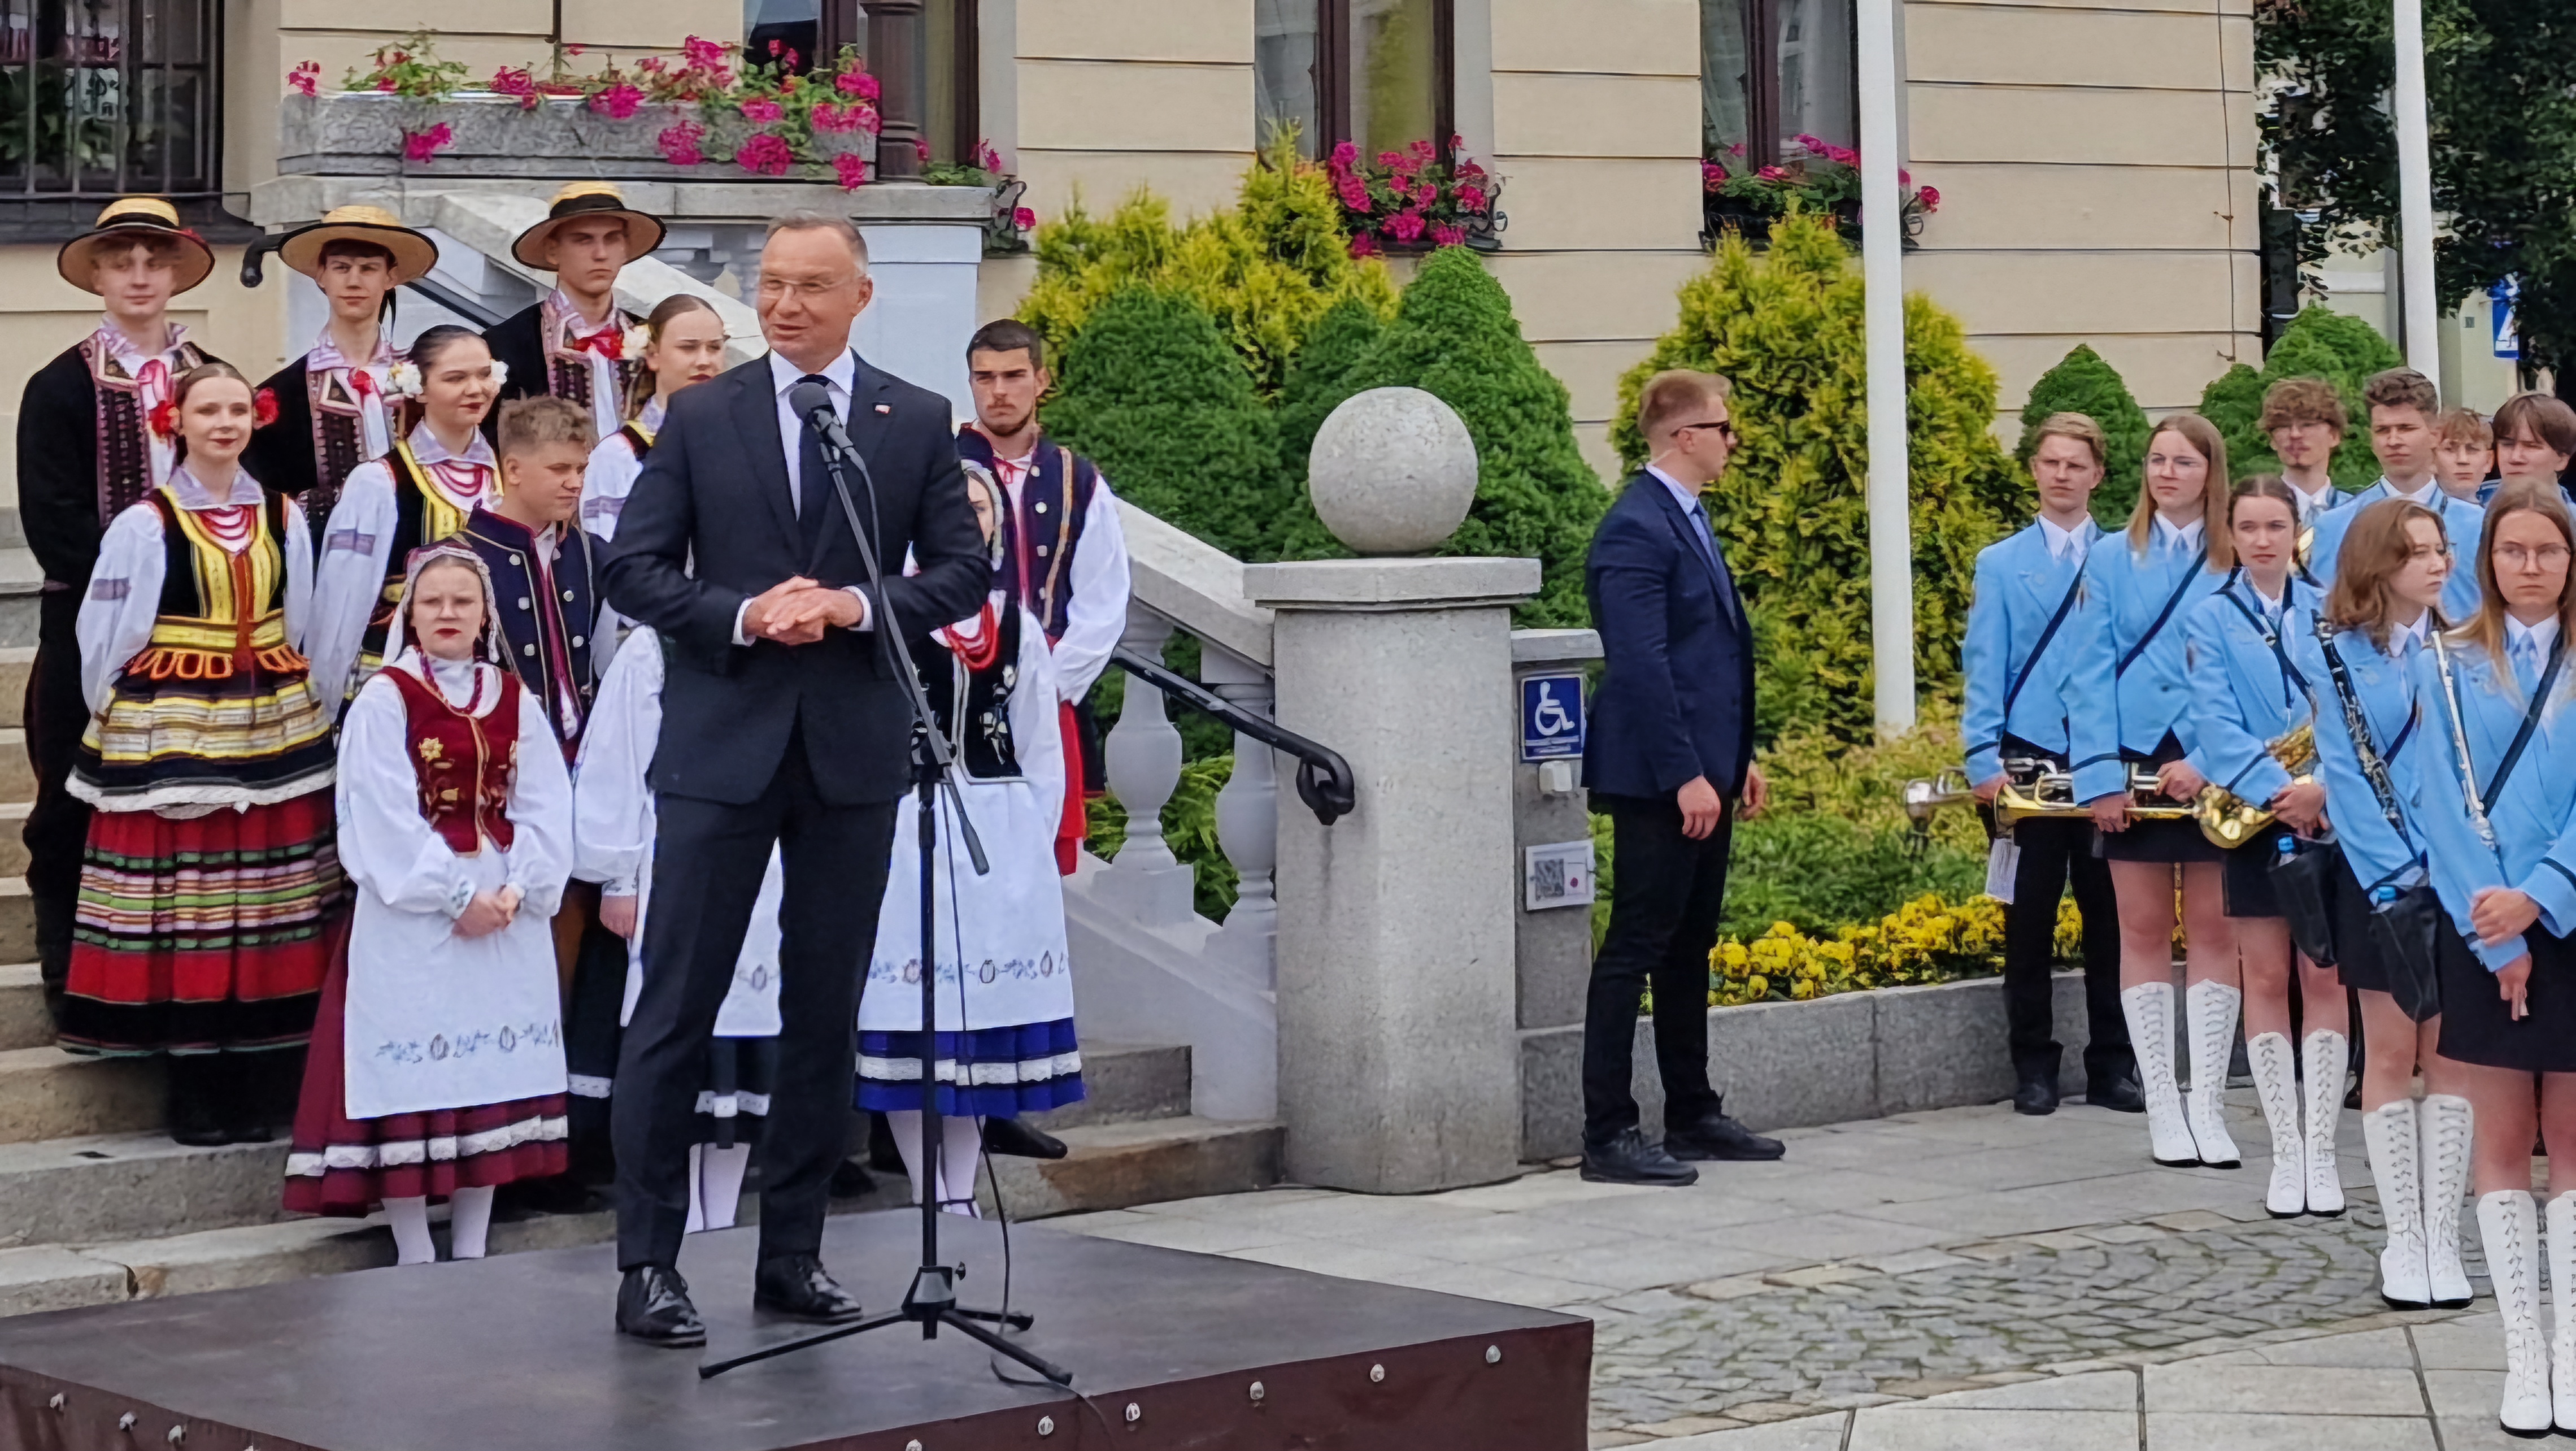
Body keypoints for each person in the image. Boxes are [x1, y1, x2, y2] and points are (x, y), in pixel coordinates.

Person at [600, 212, 987, 1346]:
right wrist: (744, 616)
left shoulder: (909, 420)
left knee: (825, 1013)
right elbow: (633, 569)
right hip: (723, 751)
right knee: (675, 1009)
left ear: (859, 295)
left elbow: (964, 570)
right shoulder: (704, 414)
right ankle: (648, 1264)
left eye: (810, 287)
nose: (783, 306)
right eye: (769, 286)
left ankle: (794, 1252)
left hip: (853, 753)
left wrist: (858, 607)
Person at [59, 363, 338, 1145]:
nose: (224, 423)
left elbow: (306, 618)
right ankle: (193, 1083)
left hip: (271, 725)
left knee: (266, 901)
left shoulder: (284, 516)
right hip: (177, 727)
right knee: (193, 905)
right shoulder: (145, 524)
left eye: (238, 410)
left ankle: (255, 1075)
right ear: (173, 422)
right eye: (208, 410)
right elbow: (105, 638)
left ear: (258, 419)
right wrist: (123, 727)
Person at [281, 544, 574, 1265]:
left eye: (463, 602)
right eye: (434, 602)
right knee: (413, 1070)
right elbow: (378, 814)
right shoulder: (386, 698)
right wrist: (453, 895)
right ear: (411, 613)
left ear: (484, 616)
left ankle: (472, 1243)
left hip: (505, 905)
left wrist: (521, 885)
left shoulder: (513, 696)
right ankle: (415, 1247)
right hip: (413, 913)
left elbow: (545, 801)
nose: (448, 614)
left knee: (491, 1075)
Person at [856, 464, 1085, 1214]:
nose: (968, 517)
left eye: (980, 506)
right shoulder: (887, 611)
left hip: (996, 829)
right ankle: (929, 1191)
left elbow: (1038, 742)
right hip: (905, 824)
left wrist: (1033, 843)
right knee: (912, 1018)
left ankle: (959, 1194)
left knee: (975, 1027)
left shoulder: (1014, 623)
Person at [1578, 368, 1783, 1188]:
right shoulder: (1635, 527)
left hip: (1704, 771)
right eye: (1724, 428)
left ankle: (1692, 1109)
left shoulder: (1687, 519)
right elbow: (1642, 667)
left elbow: (1708, 657)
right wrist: (1686, 776)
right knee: (1637, 943)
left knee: (1690, 944)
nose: (1734, 440)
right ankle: (1608, 1130)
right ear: (1684, 436)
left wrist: (1736, 759)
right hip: (1659, 780)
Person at [19, 198, 219, 1023]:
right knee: (72, 792)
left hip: (199, 634)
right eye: (121, 261)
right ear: (97, 275)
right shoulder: (59, 385)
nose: (139, 275)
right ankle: (67, 972)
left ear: (174, 273)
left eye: (153, 260)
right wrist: (137, 593)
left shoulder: (215, 380)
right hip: (85, 627)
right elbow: (53, 520)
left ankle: (171, 982)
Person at [2405, 483, 2576, 1435]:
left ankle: (2575, 1353)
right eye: (2512, 550)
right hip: (2485, 928)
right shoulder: (2449, 661)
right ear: (2490, 560)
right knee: (2504, 1140)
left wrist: (2544, 893)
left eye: (2548, 550)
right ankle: (2524, 1359)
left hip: (2573, 913)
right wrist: (2500, 931)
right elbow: (2442, 806)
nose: (2529, 566)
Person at [2288, 498, 2473, 1309]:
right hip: (2384, 882)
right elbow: (2350, 778)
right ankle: (2405, 1236)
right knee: (2393, 1056)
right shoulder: (2337, 654)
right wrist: (2400, 874)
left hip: (2463, 880)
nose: (2439, 564)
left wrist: (2462, 866)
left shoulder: (2460, 648)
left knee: (2459, 1062)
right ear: (2378, 562)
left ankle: (2446, 1236)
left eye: (2441, 549)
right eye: (2419, 552)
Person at [2067, 414, 2235, 1171]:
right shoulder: (2109, 555)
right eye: (2158, 460)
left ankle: (2208, 1103)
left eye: (2185, 462)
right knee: (2139, 929)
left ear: (2211, 471)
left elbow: (2252, 670)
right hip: (2132, 755)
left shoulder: (2236, 552)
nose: (2168, 473)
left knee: (2213, 930)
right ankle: (2162, 1102)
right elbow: (2087, 668)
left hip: (2210, 757)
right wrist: (2098, 773)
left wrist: (2211, 758)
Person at [575, 620, 782, 1234]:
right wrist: (617, 878)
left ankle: (721, 1214)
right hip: (677, 852)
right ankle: (678, 1215)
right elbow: (618, 761)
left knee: (748, 1046)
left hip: (771, 866)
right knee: (681, 1037)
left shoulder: (793, 641)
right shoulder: (655, 647)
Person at [1960, 412, 2139, 1117]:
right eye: (2050, 462)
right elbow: (1985, 664)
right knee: (2027, 919)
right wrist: (1983, 754)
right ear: (2034, 470)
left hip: (2103, 763)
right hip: (2028, 759)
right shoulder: (2000, 563)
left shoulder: (2127, 558)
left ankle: (2113, 1064)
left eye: (2077, 464)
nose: (2062, 475)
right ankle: (2032, 1065)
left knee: (2113, 919)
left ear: (2098, 474)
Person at [465, 394, 620, 1193]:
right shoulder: (464, 557)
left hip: (583, 770)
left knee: (583, 956)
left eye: (583, 468)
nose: (573, 483)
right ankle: (514, 1148)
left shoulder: (588, 553)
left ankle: (572, 1133)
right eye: (560, 470)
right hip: (507, 785)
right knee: (523, 960)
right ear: (512, 467)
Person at [2184, 475, 2345, 1217]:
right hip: (2254, 816)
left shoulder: (2330, 612)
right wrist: (2277, 789)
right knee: (2266, 978)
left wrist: (2319, 790)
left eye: (2274, 526)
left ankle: (2325, 1152)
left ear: (2294, 530)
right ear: (2232, 534)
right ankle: (2286, 1151)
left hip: (2329, 814)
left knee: (2325, 981)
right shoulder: (2208, 617)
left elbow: (2351, 710)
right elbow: (2211, 724)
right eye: (2247, 527)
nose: (2261, 540)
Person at [954, 319, 1134, 876]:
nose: (999, 391)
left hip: (1050, 692)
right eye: (985, 378)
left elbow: (1104, 598)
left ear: (1041, 379)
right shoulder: (936, 467)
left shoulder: (1076, 478)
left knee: (1040, 859)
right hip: (954, 688)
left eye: (1013, 376)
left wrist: (1045, 683)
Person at [304, 327, 503, 715]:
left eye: (484, 374)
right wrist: (325, 697)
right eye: (456, 378)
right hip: (401, 667)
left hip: (491, 667)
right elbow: (344, 600)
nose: (476, 389)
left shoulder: (505, 473)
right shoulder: (381, 482)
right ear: (420, 388)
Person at [243, 206, 439, 542]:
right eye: (341, 268)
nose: (353, 281)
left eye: (368, 269)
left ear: (390, 278)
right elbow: (268, 500)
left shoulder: (424, 379)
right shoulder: (282, 394)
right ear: (321, 276)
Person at [485, 182, 660, 445]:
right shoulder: (506, 345)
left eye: (612, 239)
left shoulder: (652, 340)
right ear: (553, 251)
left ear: (625, 249)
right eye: (583, 240)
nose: (601, 254)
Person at [2309, 369, 2483, 622]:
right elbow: (2326, 616)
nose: (2393, 440)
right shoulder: (2335, 526)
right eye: (2382, 430)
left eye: (2405, 428)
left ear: (2434, 434)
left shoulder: (2479, 526)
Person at [579, 294, 729, 542]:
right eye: (688, 348)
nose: (704, 361)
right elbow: (607, 557)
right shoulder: (618, 456)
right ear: (653, 355)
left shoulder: (742, 440)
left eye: (714, 347)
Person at [2260, 376, 2348, 570]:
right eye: (2283, 426)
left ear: (2334, 435)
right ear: (2272, 440)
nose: (2295, 434)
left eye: (2307, 424)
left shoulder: (2358, 513)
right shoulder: (2252, 513)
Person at [2490, 392, 2576, 506]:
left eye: (2531, 446)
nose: (2515, 458)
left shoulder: (2572, 521)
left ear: (2562, 459)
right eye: (2507, 444)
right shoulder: (2466, 515)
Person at [2433, 407, 2497, 505]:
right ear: (2431, 460)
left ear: (2488, 461)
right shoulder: (2412, 514)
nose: (2462, 460)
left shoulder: (2503, 517)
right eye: (2450, 449)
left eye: (2472, 449)